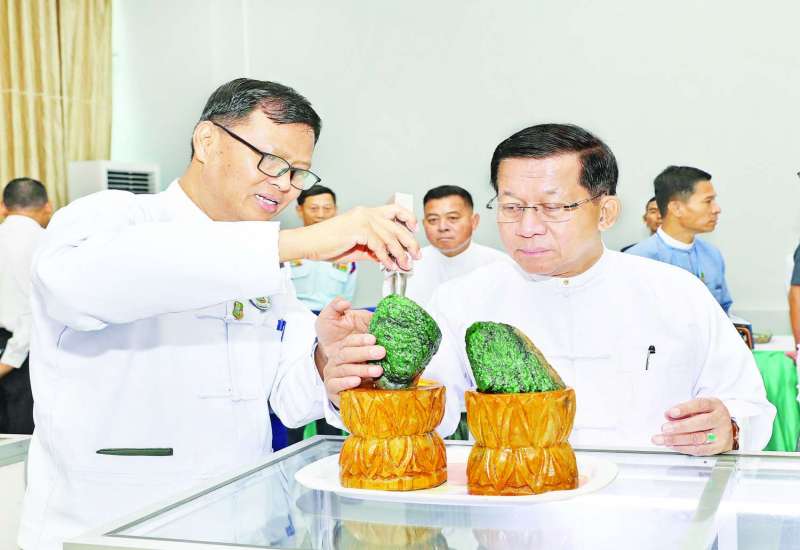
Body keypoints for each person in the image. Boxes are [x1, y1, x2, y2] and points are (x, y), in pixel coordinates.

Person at [18, 78, 419, 550]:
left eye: (298, 173)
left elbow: (289, 401)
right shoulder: (112, 216)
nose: (284, 185)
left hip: (246, 522)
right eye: (271, 161)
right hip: (112, 526)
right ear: (206, 140)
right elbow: (78, 286)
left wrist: (326, 360)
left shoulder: (267, 260)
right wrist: (300, 243)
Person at [324, 124, 775, 458]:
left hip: (651, 516)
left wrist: (730, 428)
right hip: (516, 516)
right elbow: (426, 415)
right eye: (511, 206)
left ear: (606, 212)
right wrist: (367, 381)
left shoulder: (676, 293)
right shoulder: (463, 300)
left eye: (553, 207)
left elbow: (749, 405)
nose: (527, 227)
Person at [626, 166, 732, 313]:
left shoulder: (712, 254)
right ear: (676, 208)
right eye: (708, 201)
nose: (716, 209)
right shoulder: (636, 260)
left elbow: (723, 311)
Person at [382, 185, 508, 306]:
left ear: (474, 221)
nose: (442, 227)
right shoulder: (405, 263)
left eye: (452, 218)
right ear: (424, 224)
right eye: (433, 220)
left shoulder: (501, 265)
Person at [0, 178, 52, 434]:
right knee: (23, 443)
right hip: (26, 356)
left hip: (11, 347)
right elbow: (38, 310)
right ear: (47, 207)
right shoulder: (49, 243)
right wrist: (8, 361)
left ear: (3, 207)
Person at [290, 185, 357, 312]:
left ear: (335, 210)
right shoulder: (287, 246)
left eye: (327, 208)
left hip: (331, 318)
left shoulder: (348, 250)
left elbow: (347, 296)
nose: (321, 215)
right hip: (293, 317)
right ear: (299, 210)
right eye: (313, 208)